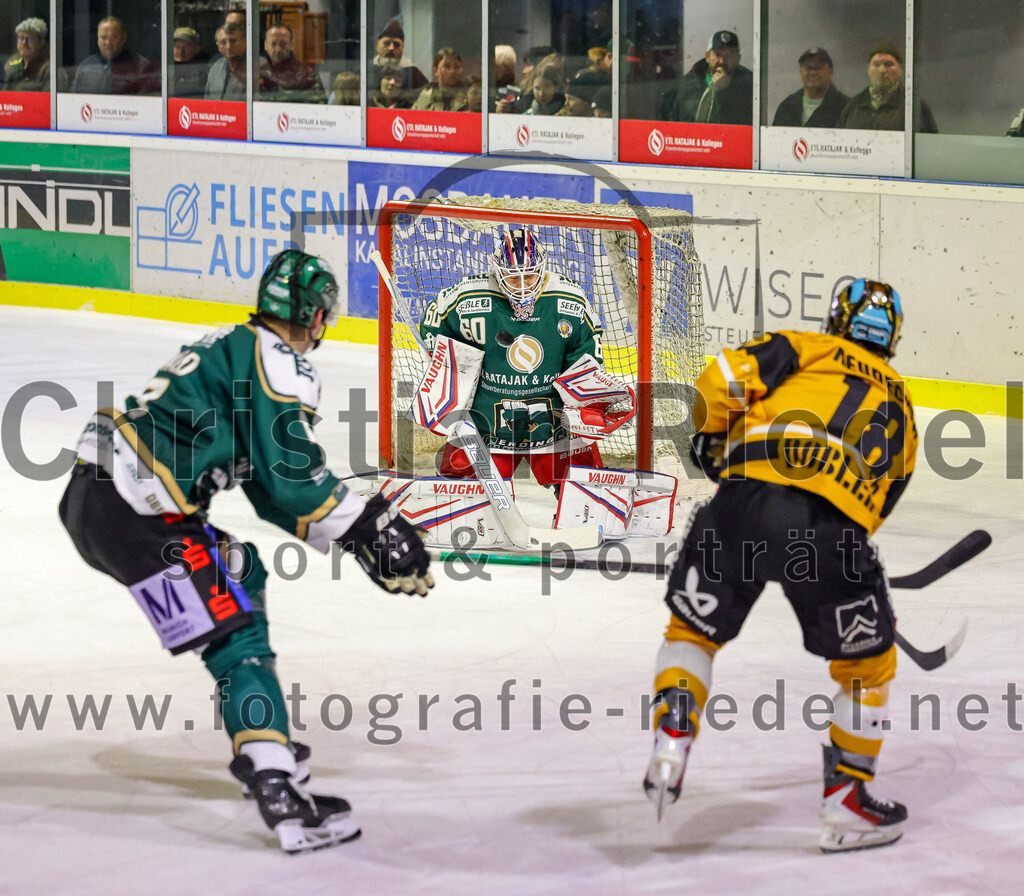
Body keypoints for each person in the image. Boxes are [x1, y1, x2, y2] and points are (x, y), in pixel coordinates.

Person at [58, 250, 434, 854]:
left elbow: (267, 494)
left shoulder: (230, 339)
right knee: (237, 643)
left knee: (242, 571)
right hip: (142, 515)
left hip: (96, 500)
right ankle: (277, 785)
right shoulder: (282, 362)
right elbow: (291, 480)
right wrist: (368, 524)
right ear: (314, 315)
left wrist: (351, 532)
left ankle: (265, 739)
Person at [643, 279, 917, 853]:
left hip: (743, 501)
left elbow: (719, 379)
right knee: (868, 665)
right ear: (891, 339)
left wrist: (716, 439)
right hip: (831, 534)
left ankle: (672, 737)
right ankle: (847, 802)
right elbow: (877, 506)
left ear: (837, 319)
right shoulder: (905, 408)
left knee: (692, 630)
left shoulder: (804, 346)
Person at [418, 227, 634, 485]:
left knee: (584, 487)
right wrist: (450, 373)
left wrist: (587, 399)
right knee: (463, 496)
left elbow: (586, 357)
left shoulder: (570, 299)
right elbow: (433, 325)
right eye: (512, 278)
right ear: (497, 270)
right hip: (484, 419)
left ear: (542, 268)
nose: (522, 287)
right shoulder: (467, 295)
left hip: (553, 419)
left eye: (530, 277)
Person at [837, 41, 937, 132]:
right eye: (876, 64)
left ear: (900, 70)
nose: (882, 70)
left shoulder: (914, 108)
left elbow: (930, 146)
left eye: (889, 64)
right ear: (868, 69)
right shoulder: (853, 106)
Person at [665, 29, 753, 124]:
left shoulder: (749, 84)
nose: (722, 61)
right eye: (717, 54)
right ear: (707, 57)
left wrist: (722, 91)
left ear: (738, 59)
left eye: (730, 55)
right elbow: (674, 121)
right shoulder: (689, 83)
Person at [71, 16, 156, 95]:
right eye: (104, 37)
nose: (108, 42)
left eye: (113, 37)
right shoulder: (86, 65)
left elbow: (149, 103)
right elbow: (73, 100)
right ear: (98, 39)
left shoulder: (141, 66)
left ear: (123, 38)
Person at [771, 47, 850, 128]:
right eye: (808, 68)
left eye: (818, 67)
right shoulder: (787, 107)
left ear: (830, 72)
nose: (813, 72)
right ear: (800, 72)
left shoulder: (847, 108)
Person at [259, 24, 327, 104]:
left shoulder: (307, 75)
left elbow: (317, 109)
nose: (278, 49)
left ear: (292, 45)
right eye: (273, 44)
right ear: (266, 45)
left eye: (283, 44)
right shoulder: (259, 72)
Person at [369, 19, 427, 106]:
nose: (391, 48)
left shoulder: (413, 73)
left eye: (396, 44)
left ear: (402, 47)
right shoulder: (365, 70)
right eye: (387, 43)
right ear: (377, 45)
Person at [412, 48, 471, 112]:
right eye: (447, 67)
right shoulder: (427, 94)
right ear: (436, 71)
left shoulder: (470, 94)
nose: (452, 71)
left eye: (457, 67)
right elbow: (413, 118)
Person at [205, 23, 246, 100]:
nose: (228, 46)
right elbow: (207, 101)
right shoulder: (216, 68)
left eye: (233, 41)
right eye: (223, 42)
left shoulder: (258, 66)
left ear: (244, 42)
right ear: (218, 46)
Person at [170, 26, 209, 99]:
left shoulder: (202, 69)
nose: (181, 52)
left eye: (186, 47)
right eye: (177, 47)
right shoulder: (167, 68)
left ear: (197, 49)